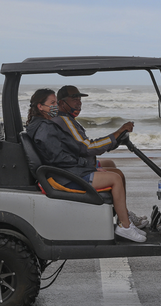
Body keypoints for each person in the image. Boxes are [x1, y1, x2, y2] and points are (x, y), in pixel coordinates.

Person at [25, 88, 146, 242]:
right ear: (40, 106)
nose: (79, 102)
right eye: (52, 103)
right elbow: (75, 152)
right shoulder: (50, 126)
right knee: (115, 178)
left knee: (113, 168)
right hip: (64, 175)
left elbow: (67, 151)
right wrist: (87, 165)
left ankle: (124, 218)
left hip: (63, 170)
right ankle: (125, 226)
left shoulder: (45, 123)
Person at [53, 85, 148, 228]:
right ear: (61, 103)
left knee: (110, 164)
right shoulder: (64, 120)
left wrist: (115, 138)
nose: (78, 102)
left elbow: (83, 147)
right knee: (117, 175)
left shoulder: (68, 119)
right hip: (73, 172)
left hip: (76, 164)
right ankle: (125, 224)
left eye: (79, 99)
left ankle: (124, 213)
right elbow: (88, 147)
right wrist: (118, 132)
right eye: (74, 99)